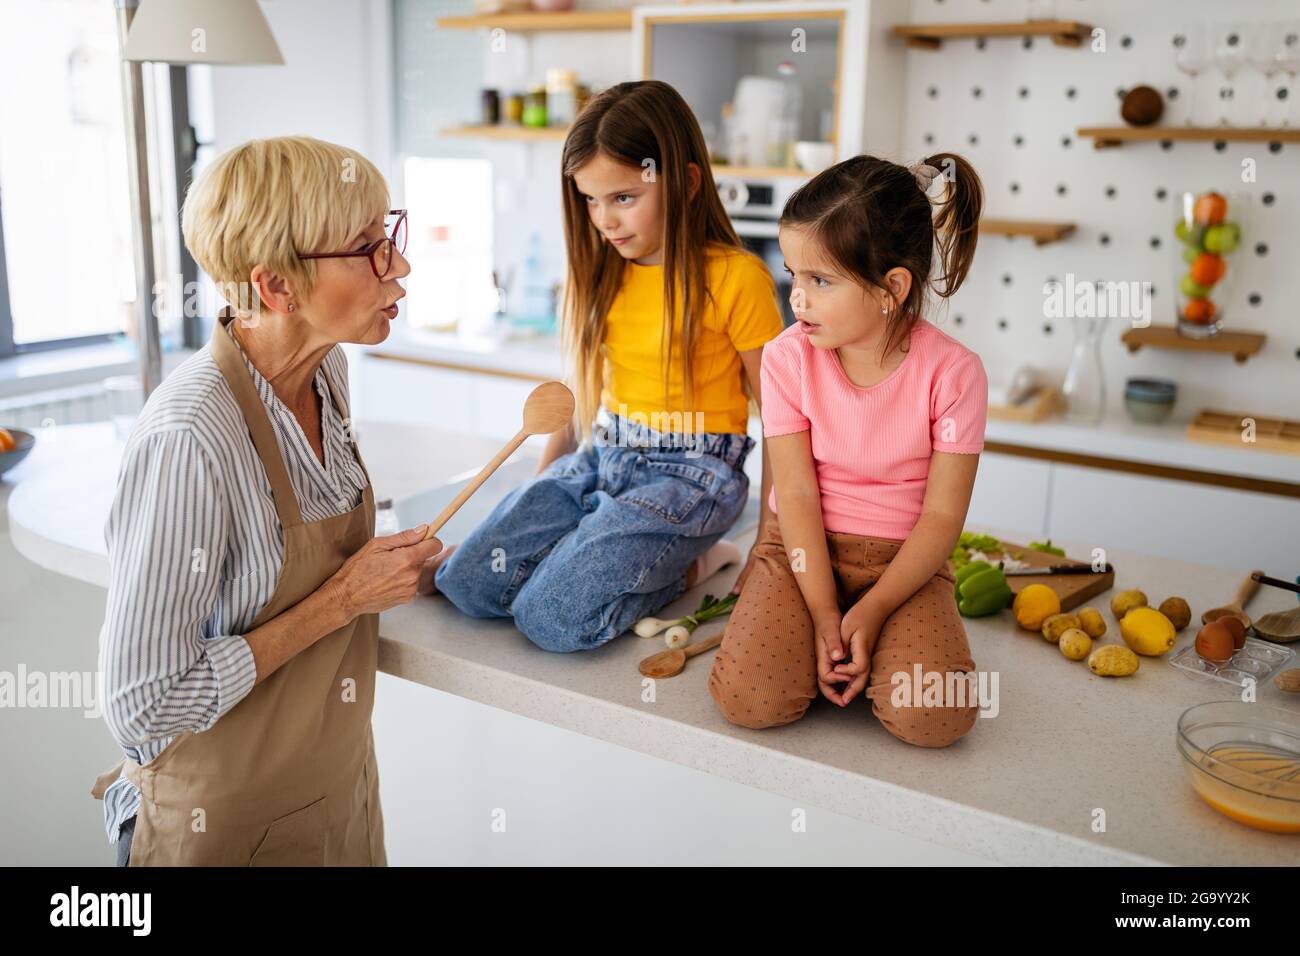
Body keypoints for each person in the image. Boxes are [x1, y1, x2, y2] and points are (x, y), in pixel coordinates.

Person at [92, 136, 443, 865]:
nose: (400, 265)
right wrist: (343, 600)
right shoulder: (190, 435)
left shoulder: (328, 372)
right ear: (277, 288)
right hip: (219, 828)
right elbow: (146, 706)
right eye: (368, 247)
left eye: (391, 235)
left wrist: (392, 572)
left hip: (339, 797)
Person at [424, 80, 784, 653]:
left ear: (687, 182)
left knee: (550, 620)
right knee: (465, 584)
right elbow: (579, 402)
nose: (604, 221)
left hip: (691, 477)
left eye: (622, 197)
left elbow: (786, 422)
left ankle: (696, 563)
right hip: (602, 455)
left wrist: (770, 545)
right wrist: (543, 492)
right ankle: (600, 550)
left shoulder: (737, 280)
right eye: (590, 200)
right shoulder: (603, 274)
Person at [708, 153, 988, 747]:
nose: (797, 299)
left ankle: (875, 642)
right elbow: (799, 493)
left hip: (904, 561)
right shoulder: (786, 360)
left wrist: (874, 609)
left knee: (936, 718)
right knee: (747, 700)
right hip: (800, 551)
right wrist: (821, 611)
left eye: (820, 281)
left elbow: (941, 517)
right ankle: (833, 644)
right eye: (793, 274)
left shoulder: (956, 373)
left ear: (892, 287)